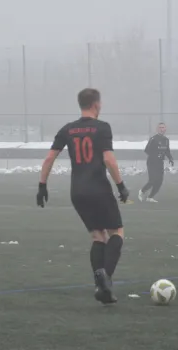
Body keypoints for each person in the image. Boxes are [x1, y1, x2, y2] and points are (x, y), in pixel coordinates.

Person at [36, 88, 129, 304]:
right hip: (98, 188)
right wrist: (121, 186)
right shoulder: (102, 128)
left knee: (98, 236)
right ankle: (105, 280)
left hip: (77, 191)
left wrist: (42, 185)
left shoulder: (68, 129)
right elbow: (109, 160)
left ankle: (100, 286)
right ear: (96, 104)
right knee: (117, 232)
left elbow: (49, 159)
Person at [138, 122, 173, 203]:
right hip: (152, 162)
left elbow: (167, 151)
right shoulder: (153, 139)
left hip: (160, 163)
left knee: (159, 181)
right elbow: (147, 150)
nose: (162, 129)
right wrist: (155, 156)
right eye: (160, 127)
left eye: (163, 127)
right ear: (157, 129)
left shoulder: (166, 140)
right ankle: (142, 191)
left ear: (165, 129)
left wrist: (170, 158)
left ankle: (150, 197)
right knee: (152, 180)